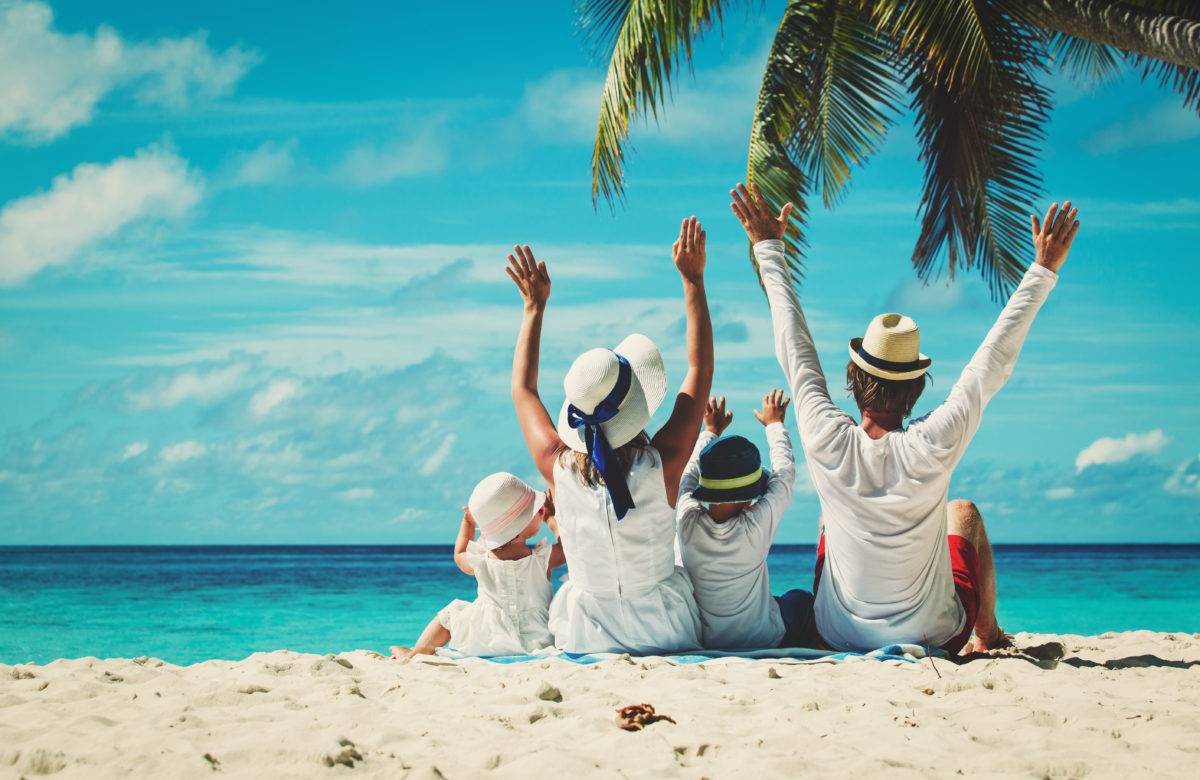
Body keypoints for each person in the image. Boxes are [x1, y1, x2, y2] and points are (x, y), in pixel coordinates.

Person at [730, 181, 1079, 654]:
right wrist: (1042, 269)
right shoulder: (934, 440)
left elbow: (793, 346)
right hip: (934, 635)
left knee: (829, 518)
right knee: (963, 513)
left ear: (853, 376)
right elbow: (990, 364)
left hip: (836, 635)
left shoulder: (825, 435)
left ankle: (939, 629)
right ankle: (988, 635)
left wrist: (768, 247)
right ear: (917, 386)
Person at [505, 217, 712, 654]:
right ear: (635, 404)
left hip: (584, 633)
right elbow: (699, 369)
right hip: (665, 629)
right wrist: (692, 281)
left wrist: (533, 309)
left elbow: (523, 390)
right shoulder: (663, 464)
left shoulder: (557, 467)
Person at [676, 390, 818, 649]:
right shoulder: (755, 526)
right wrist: (775, 424)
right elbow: (784, 476)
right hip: (765, 637)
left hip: (709, 640)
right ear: (749, 498)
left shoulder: (687, 522)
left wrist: (710, 431)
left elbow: (687, 475)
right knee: (801, 599)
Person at [389, 472, 564, 659]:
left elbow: (459, 555)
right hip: (538, 636)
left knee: (450, 613)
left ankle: (416, 653)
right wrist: (551, 518)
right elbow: (567, 548)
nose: (542, 515)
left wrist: (468, 523)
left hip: (487, 637)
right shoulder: (542, 558)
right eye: (539, 512)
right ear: (522, 524)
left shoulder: (480, 560)